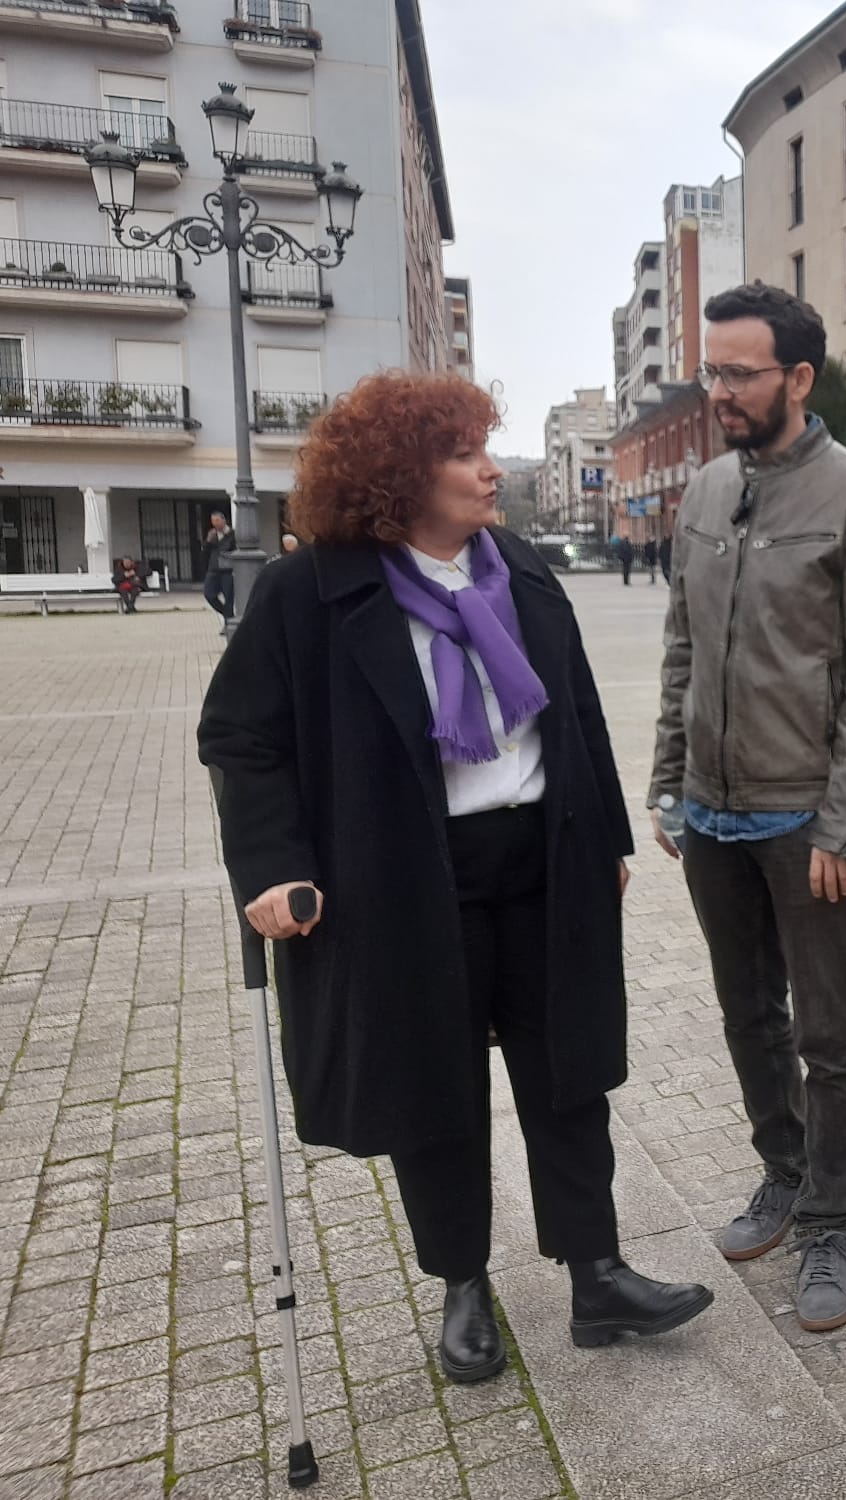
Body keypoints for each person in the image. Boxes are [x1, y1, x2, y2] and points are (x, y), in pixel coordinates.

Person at [198, 371, 713, 1389]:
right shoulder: (316, 591)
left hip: (540, 862)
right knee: (433, 1084)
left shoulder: (516, 569)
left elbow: (573, 717)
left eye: (487, 447)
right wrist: (271, 866)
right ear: (399, 475)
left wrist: (602, 839)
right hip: (402, 875)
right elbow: (239, 736)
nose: (490, 470)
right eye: (464, 454)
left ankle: (596, 1273)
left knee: (569, 1075)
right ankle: (463, 1285)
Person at [649, 282, 846, 1334]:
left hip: (807, 819)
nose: (718, 389)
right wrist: (669, 780)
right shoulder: (706, 491)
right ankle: (780, 1169)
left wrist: (845, 824)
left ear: (797, 379)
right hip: (712, 814)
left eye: (738, 372)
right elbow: (680, 644)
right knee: (745, 1014)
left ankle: (827, 1222)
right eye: (710, 370)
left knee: (828, 1031)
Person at [201, 510, 235, 631]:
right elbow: (204, 552)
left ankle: (228, 625)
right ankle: (227, 615)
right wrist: (208, 541)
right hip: (213, 569)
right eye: (213, 521)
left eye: (217, 521)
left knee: (229, 598)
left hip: (227, 570)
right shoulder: (212, 535)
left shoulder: (232, 534)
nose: (215, 524)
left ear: (223, 520)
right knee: (209, 594)